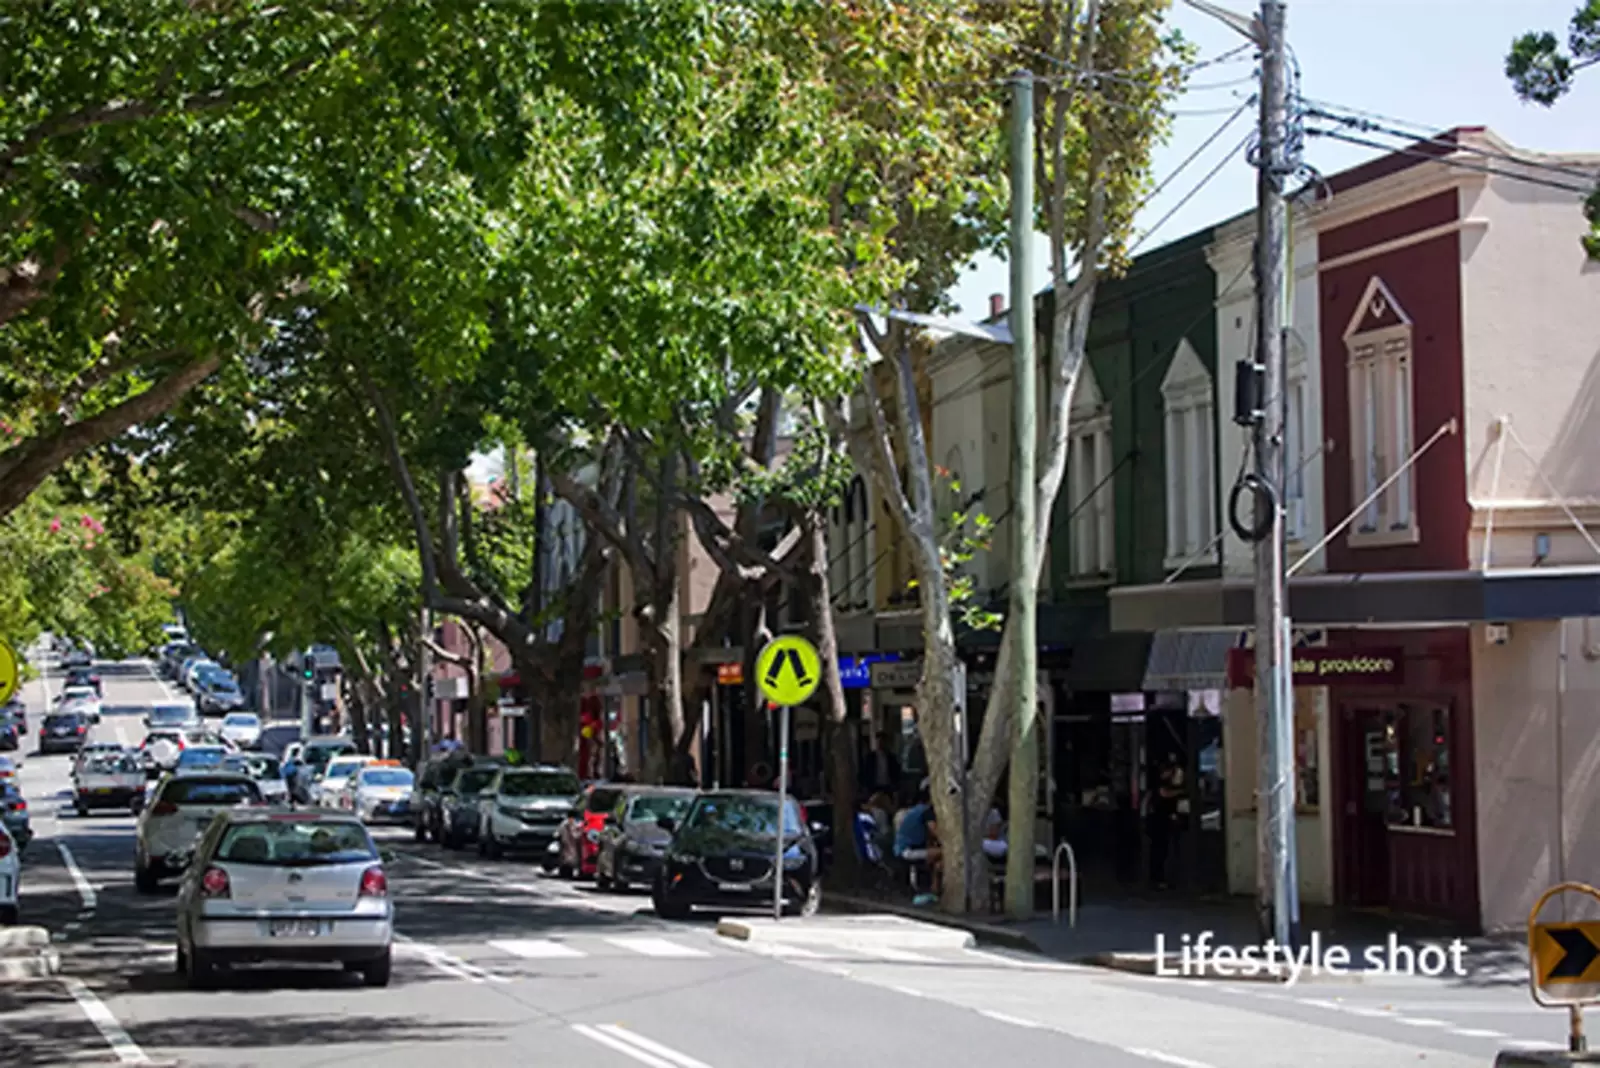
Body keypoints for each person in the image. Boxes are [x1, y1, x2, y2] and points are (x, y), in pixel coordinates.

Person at [893, 784, 940, 893]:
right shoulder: (926, 812)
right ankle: (934, 886)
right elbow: (935, 830)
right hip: (908, 850)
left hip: (901, 848)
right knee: (944, 853)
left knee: (934, 855)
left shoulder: (913, 811)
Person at [1149, 753, 1184, 890]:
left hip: (1163, 821)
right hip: (1158, 822)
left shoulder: (1166, 783)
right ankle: (1157, 878)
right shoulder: (1159, 783)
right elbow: (1164, 794)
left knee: (1164, 851)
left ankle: (1162, 878)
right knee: (1159, 851)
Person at [858, 730, 901, 797]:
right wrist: (865, 786)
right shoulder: (870, 757)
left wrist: (895, 785)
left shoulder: (891, 757)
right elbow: (864, 772)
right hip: (874, 787)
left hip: (887, 787)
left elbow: (896, 771)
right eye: (878, 742)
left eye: (882, 742)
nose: (880, 744)